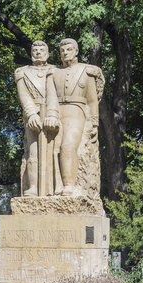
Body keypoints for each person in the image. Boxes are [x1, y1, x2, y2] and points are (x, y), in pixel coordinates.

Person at [44, 38, 104, 196]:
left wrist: (95, 124)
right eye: (62, 50)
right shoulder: (53, 72)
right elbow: (50, 96)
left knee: (68, 145)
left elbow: (92, 100)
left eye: (69, 49)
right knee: (51, 149)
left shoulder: (86, 71)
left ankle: (69, 185)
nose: (65, 52)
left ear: (76, 51)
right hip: (57, 111)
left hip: (77, 111)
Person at [15, 41, 54, 196]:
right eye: (35, 50)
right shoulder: (22, 72)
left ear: (48, 53)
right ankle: (33, 187)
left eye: (41, 49)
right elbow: (24, 95)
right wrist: (31, 114)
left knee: (55, 151)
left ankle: (53, 188)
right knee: (33, 151)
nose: (38, 52)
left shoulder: (55, 70)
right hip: (33, 115)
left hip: (53, 113)